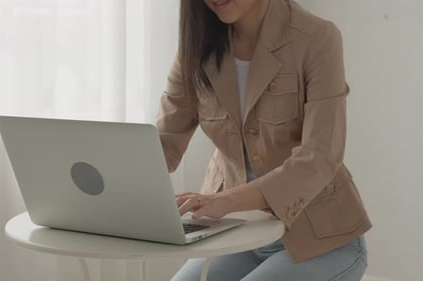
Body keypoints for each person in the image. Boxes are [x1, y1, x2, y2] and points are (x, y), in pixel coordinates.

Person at [155, 0, 372, 280]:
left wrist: (225, 200)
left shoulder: (317, 39)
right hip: (238, 234)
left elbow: (320, 157)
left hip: (322, 238)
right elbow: (163, 145)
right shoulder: (197, 45)